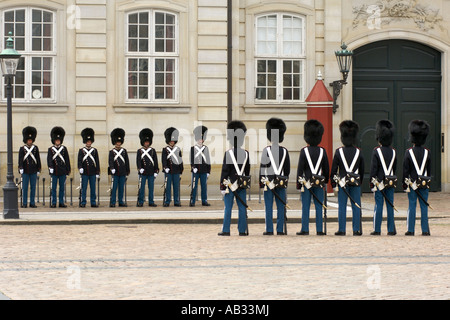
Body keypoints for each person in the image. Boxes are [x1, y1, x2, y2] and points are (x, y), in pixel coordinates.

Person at [330, 120, 364, 236]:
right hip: (355, 183)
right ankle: (356, 229)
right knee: (356, 206)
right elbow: (362, 169)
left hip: (343, 183)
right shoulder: (358, 152)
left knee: (342, 207)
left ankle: (342, 229)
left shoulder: (339, 152)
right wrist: (360, 182)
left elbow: (334, 170)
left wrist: (334, 184)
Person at [297, 119, 329, 235]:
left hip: (306, 183)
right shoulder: (322, 151)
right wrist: (325, 180)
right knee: (319, 206)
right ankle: (319, 230)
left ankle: (305, 229)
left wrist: (298, 183)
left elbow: (300, 169)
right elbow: (326, 169)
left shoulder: (304, 151)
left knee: (305, 206)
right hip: (319, 182)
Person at [218, 120, 250, 236]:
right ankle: (242, 230)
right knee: (242, 208)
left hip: (230, 185)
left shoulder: (228, 153)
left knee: (228, 208)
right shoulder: (246, 153)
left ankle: (226, 230)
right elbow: (247, 171)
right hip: (241, 184)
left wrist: (222, 185)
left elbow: (225, 171)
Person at [259, 118, 290, 235]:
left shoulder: (266, 150)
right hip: (281, 182)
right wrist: (284, 179)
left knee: (268, 207)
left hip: (269, 182)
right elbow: (287, 170)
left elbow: (263, 168)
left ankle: (269, 229)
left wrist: (262, 183)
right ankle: (280, 229)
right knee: (281, 207)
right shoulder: (285, 151)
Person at [402, 120, 431, 236]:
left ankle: (411, 229)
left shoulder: (408, 152)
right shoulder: (427, 152)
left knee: (412, 205)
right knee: (424, 206)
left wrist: (405, 184)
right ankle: (425, 230)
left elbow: (406, 170)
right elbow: (429, 170)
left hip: (412, 182)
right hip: (424, 182)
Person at [370, 120, 397, 235]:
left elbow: (373, 169)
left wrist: (372, 182)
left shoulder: (376, 151)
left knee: (379, 205)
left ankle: (377, 229)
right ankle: (391, 229)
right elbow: (394, 167)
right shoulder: (394, 152)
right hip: (390, 180)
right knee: (390, 205)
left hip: (379, 181)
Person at [18, 126, 41, 208]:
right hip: (25, 171)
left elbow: (38, 159)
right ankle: (24, 203)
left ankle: (32, 203)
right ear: (26, 140)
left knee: (33, 188)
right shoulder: (22, 149)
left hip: (33, 170)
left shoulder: (35, 148)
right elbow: (20, 159)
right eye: (28, 140)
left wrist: (39, 168)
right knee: (24, 188)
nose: (30, 141)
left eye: (31, 140)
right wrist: (20, 168)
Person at [47, 126, 71, 208]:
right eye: (56, 140)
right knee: (53, 188)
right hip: (54, 171)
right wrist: (50, 167)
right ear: (54, 141)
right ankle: (54, 202)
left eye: (59, 140)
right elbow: (49, 159)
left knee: (62, 189)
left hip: (62, 171)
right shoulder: (51, 149)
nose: (57, 141)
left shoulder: (64, 149)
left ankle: (61, 202)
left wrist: (68, 170)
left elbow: (67, 160)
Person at [78, 128, 100, 208]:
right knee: (84, 188)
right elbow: (79, 160)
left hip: (92, 172)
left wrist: (97, 172)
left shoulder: (94, 150)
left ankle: (93, 202)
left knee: (93, 189)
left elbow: (97, 162)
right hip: (85, 172)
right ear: (85, 142)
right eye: (87, 141)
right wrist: (80, 167)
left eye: (90, 141)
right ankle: (83, 202)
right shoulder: (81, 150)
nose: (89, 142)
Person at [136, 128, 159, 207]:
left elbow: (155, 161)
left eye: (148, 142)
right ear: (143, 142)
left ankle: (151, 201)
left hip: (151, 172)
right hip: (143, 172)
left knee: (151, 188)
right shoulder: (140, 151)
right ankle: (141, 201)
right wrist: (140, 168)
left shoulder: (152, 150)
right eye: (145, 142)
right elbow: (138, 161)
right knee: (141, 188)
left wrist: (156, 171)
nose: (146, 143)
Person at [189, 125, 211, 207]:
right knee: (194, 187)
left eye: (201, 139)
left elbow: (208, 160)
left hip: (204, 170)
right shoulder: (193, 148)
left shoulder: (206, 148)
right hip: (196, 170)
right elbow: (191, 159)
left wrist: (208, 171)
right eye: (199, 139)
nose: (200, 141)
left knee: (204, 187)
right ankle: (192, 201)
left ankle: (204, 200)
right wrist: (193, 167)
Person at [162, 127, 184, 207]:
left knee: (176, 187)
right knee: (167, 187)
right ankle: (167, 201)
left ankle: (176, 201)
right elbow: (164, 160)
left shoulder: (177, 149)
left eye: (173, 141)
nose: (172, 142)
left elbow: (180, 160)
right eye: (170, 141)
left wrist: (181, 169)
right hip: (168, 171)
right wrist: (165, 167)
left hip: (176, 171)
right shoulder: (165, 150)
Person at [109, 128, 130, 207]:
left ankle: (121, 201)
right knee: (114, 188)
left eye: (119, 142)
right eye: (117, 142)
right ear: (115, 142)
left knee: (121, 188)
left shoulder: (124, 151)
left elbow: (126, 161)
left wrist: (127, 171)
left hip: (122, 172)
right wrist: (112, 168)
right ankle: (113, 202)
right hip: (115, 172)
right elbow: (110, 161)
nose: (118, 143)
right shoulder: (112, 152)